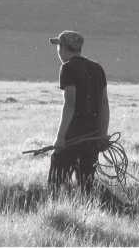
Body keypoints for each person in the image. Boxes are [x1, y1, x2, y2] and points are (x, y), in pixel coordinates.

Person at [47, 30, 109, 194]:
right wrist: (102, 134)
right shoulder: (97, 69)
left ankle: (55, 215)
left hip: (72, 137)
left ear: (63, 48)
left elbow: (70, 104)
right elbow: (104, 104)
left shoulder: (67, 68)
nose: (58, 51)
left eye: (59, 46)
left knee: (55, 182)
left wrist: (60, 138)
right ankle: (93, 214)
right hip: (92, 137)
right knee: (87, 185)